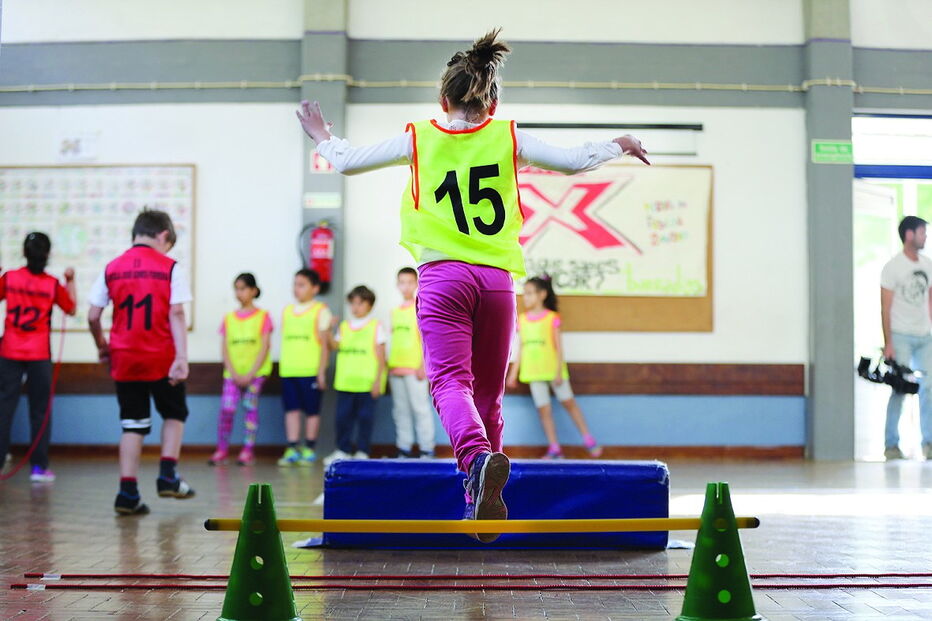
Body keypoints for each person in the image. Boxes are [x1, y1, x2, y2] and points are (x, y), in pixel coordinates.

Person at [296, 29, 649, 541]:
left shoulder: (420, 136)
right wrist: (619, 142)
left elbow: (348, 161)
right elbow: (573, 160)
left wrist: (321, 134)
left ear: (443, 99)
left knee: (448, 384)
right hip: (497, 282)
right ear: (493, 101)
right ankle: (480, 497)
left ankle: (478, 460)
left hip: (442, 279)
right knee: (489, 396)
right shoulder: (508, 137)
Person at [88, 210, 194, 515]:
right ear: (163, 235)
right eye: (169, 244)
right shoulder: (171, 268)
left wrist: (103, 347)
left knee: (133, 424)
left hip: (124, 356)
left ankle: (127, 492)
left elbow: (93, 316)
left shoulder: (111, 267)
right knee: (175, 413)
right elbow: (176, 313)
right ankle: (168, 475)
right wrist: (182, 358)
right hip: (161, 355)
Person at [0, 233, 76, 482]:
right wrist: (70, 280)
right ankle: (39, 468)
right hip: (39, 354)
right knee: (40, 411)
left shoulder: (9, 277)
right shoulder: (52, 284)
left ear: (24, 252)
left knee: (3, 408)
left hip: (8, 351)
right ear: (47, 255)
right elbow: (71, 307)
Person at [507, 275, 602, 459]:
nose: (525, 298)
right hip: (533, 373)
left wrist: (558, 371)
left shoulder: (552, 318)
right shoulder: (523, 320)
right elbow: (521, 349)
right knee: (544, 410)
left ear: (542, 294)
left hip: (554, 372)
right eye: (524, 294)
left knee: (569, 403)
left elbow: (559, 348)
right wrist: (513, 374)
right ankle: (554, 448)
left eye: (529, 293)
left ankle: (588, 438)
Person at [881, 215, 932, 460]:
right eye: (922, 232)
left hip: (925, 336)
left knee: (929, 388)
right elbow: (885, 307)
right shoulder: (893, 267)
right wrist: (888, 342)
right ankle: (891, 444)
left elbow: (929, 300)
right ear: (909, 235)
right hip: (900, 335)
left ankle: (929, 443)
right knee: (899, 389)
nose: (925, 236)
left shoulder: (928, 264)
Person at [210, 273, 272, 467]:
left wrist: (251, 373)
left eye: (243, 288)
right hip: (232, 374)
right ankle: (221, 449)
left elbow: (264, 346)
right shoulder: (228, 318)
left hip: (255, 374)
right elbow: (225, 348)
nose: (239, 293)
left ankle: (247, 450)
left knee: (249, 408)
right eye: (236, 288)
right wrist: (234, 373)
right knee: (227, 409)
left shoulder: (264, 316)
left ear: (253, 291)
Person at [323, 285, 387, 466]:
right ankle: (342, 449)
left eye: (360, 303)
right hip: (345, 382)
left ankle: (362, 450)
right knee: (342, 419)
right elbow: (333, 346)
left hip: (366, 383)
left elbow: (382, 357)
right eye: (353, 303)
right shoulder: (344, 327)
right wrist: (328, 329)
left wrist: (377, 382)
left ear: (369, 305)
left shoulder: (376, 326)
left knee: (365, 419)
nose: (355, 307)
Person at [277, 268, 331, 466]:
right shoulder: (287, 311)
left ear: (315, 288)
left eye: (302, 285)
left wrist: (321, 372)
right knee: (291, 410)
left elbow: (325, 345)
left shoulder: (321, 310)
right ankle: (292, 447)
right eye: (295, 284)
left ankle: (309, 448)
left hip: (310, 371)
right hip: (289, 370)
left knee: (312, 411)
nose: (296, 289)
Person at [388, 267, 434, 458]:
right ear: (397, 285)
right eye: (402, 282)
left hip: (416, 369)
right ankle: (404, 448)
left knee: (420, 409)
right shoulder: (394, 311)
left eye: (409, 282)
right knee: (400, 411)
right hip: (396, 368)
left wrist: (424, 365)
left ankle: (426, 449)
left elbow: (428, 339)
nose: (405, 286)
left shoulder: (421, 308)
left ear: (416, 284)